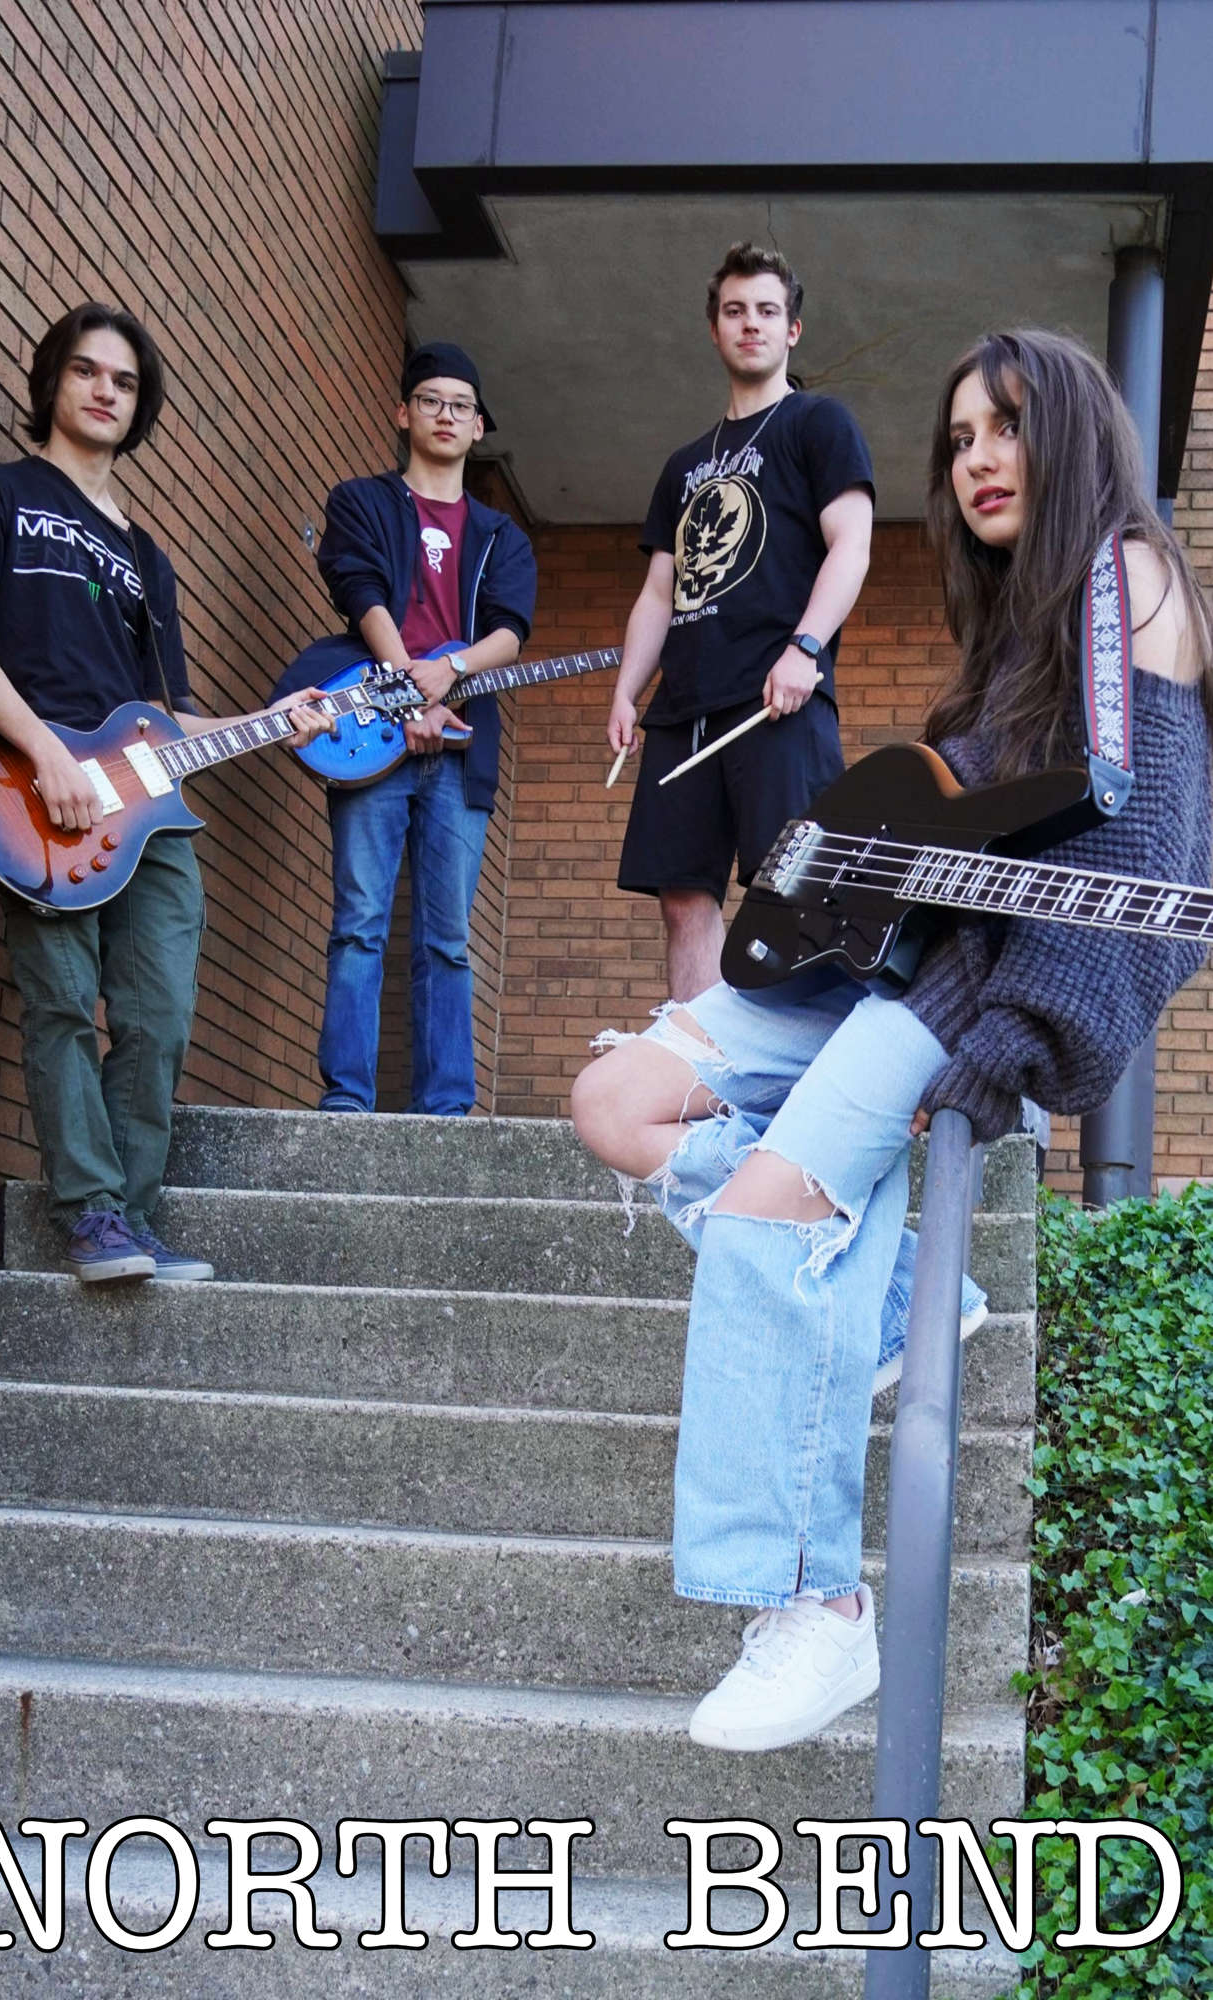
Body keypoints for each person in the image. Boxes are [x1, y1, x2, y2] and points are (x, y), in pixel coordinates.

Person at [573, 328, 1212, 1751]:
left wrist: (1012, 1044)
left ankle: (814, 1610)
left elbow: (1149, 860)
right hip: (851, 972)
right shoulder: (1009, 635)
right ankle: (874, 1298)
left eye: (1004, 427)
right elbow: (942, 819)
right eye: (959, 438)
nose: (976, 458)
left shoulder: (1129, 575)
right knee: (617, 1102)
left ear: (1074, 438)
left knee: (755, 1219)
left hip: (955, 1000)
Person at [0, 304, 328, 1283]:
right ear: (52, 383)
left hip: (142, 815)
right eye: (87, 371)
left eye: (126, 380)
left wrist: (286, 717)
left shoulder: (148, 556)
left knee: (159, 1012)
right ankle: (92, 1213)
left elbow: (163, 718)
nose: (106, 389)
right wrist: (45, 754)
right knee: (60, 1000)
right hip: (26, 785)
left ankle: (133, 1220)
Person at [608, 241, 874, 1000]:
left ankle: (804, 1081)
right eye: (734, 311)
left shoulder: (818, 424)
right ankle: (699, 1081)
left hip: (775, 698)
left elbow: (850, 547)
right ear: (714, 329)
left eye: (766, 311)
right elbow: (660, 591)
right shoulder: (683, 464)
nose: (750, 324)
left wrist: (805, 649)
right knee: (683, 900)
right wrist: (628, 689)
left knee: (795, 890)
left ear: (792, 329)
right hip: (685, 707)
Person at [311, 342, 536, 1115]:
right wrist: (411, 688)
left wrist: (452, 673)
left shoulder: (502, 535)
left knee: (447, 939)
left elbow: (510, 631)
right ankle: (346, 1100)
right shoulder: (361, 503)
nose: (446, 414)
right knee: (360, 921)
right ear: (403, 414)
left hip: (463, 748)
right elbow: (359, 588)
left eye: (462, 405)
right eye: (431, 400)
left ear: (480, 428)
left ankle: (447, 1111)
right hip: (369, 734)